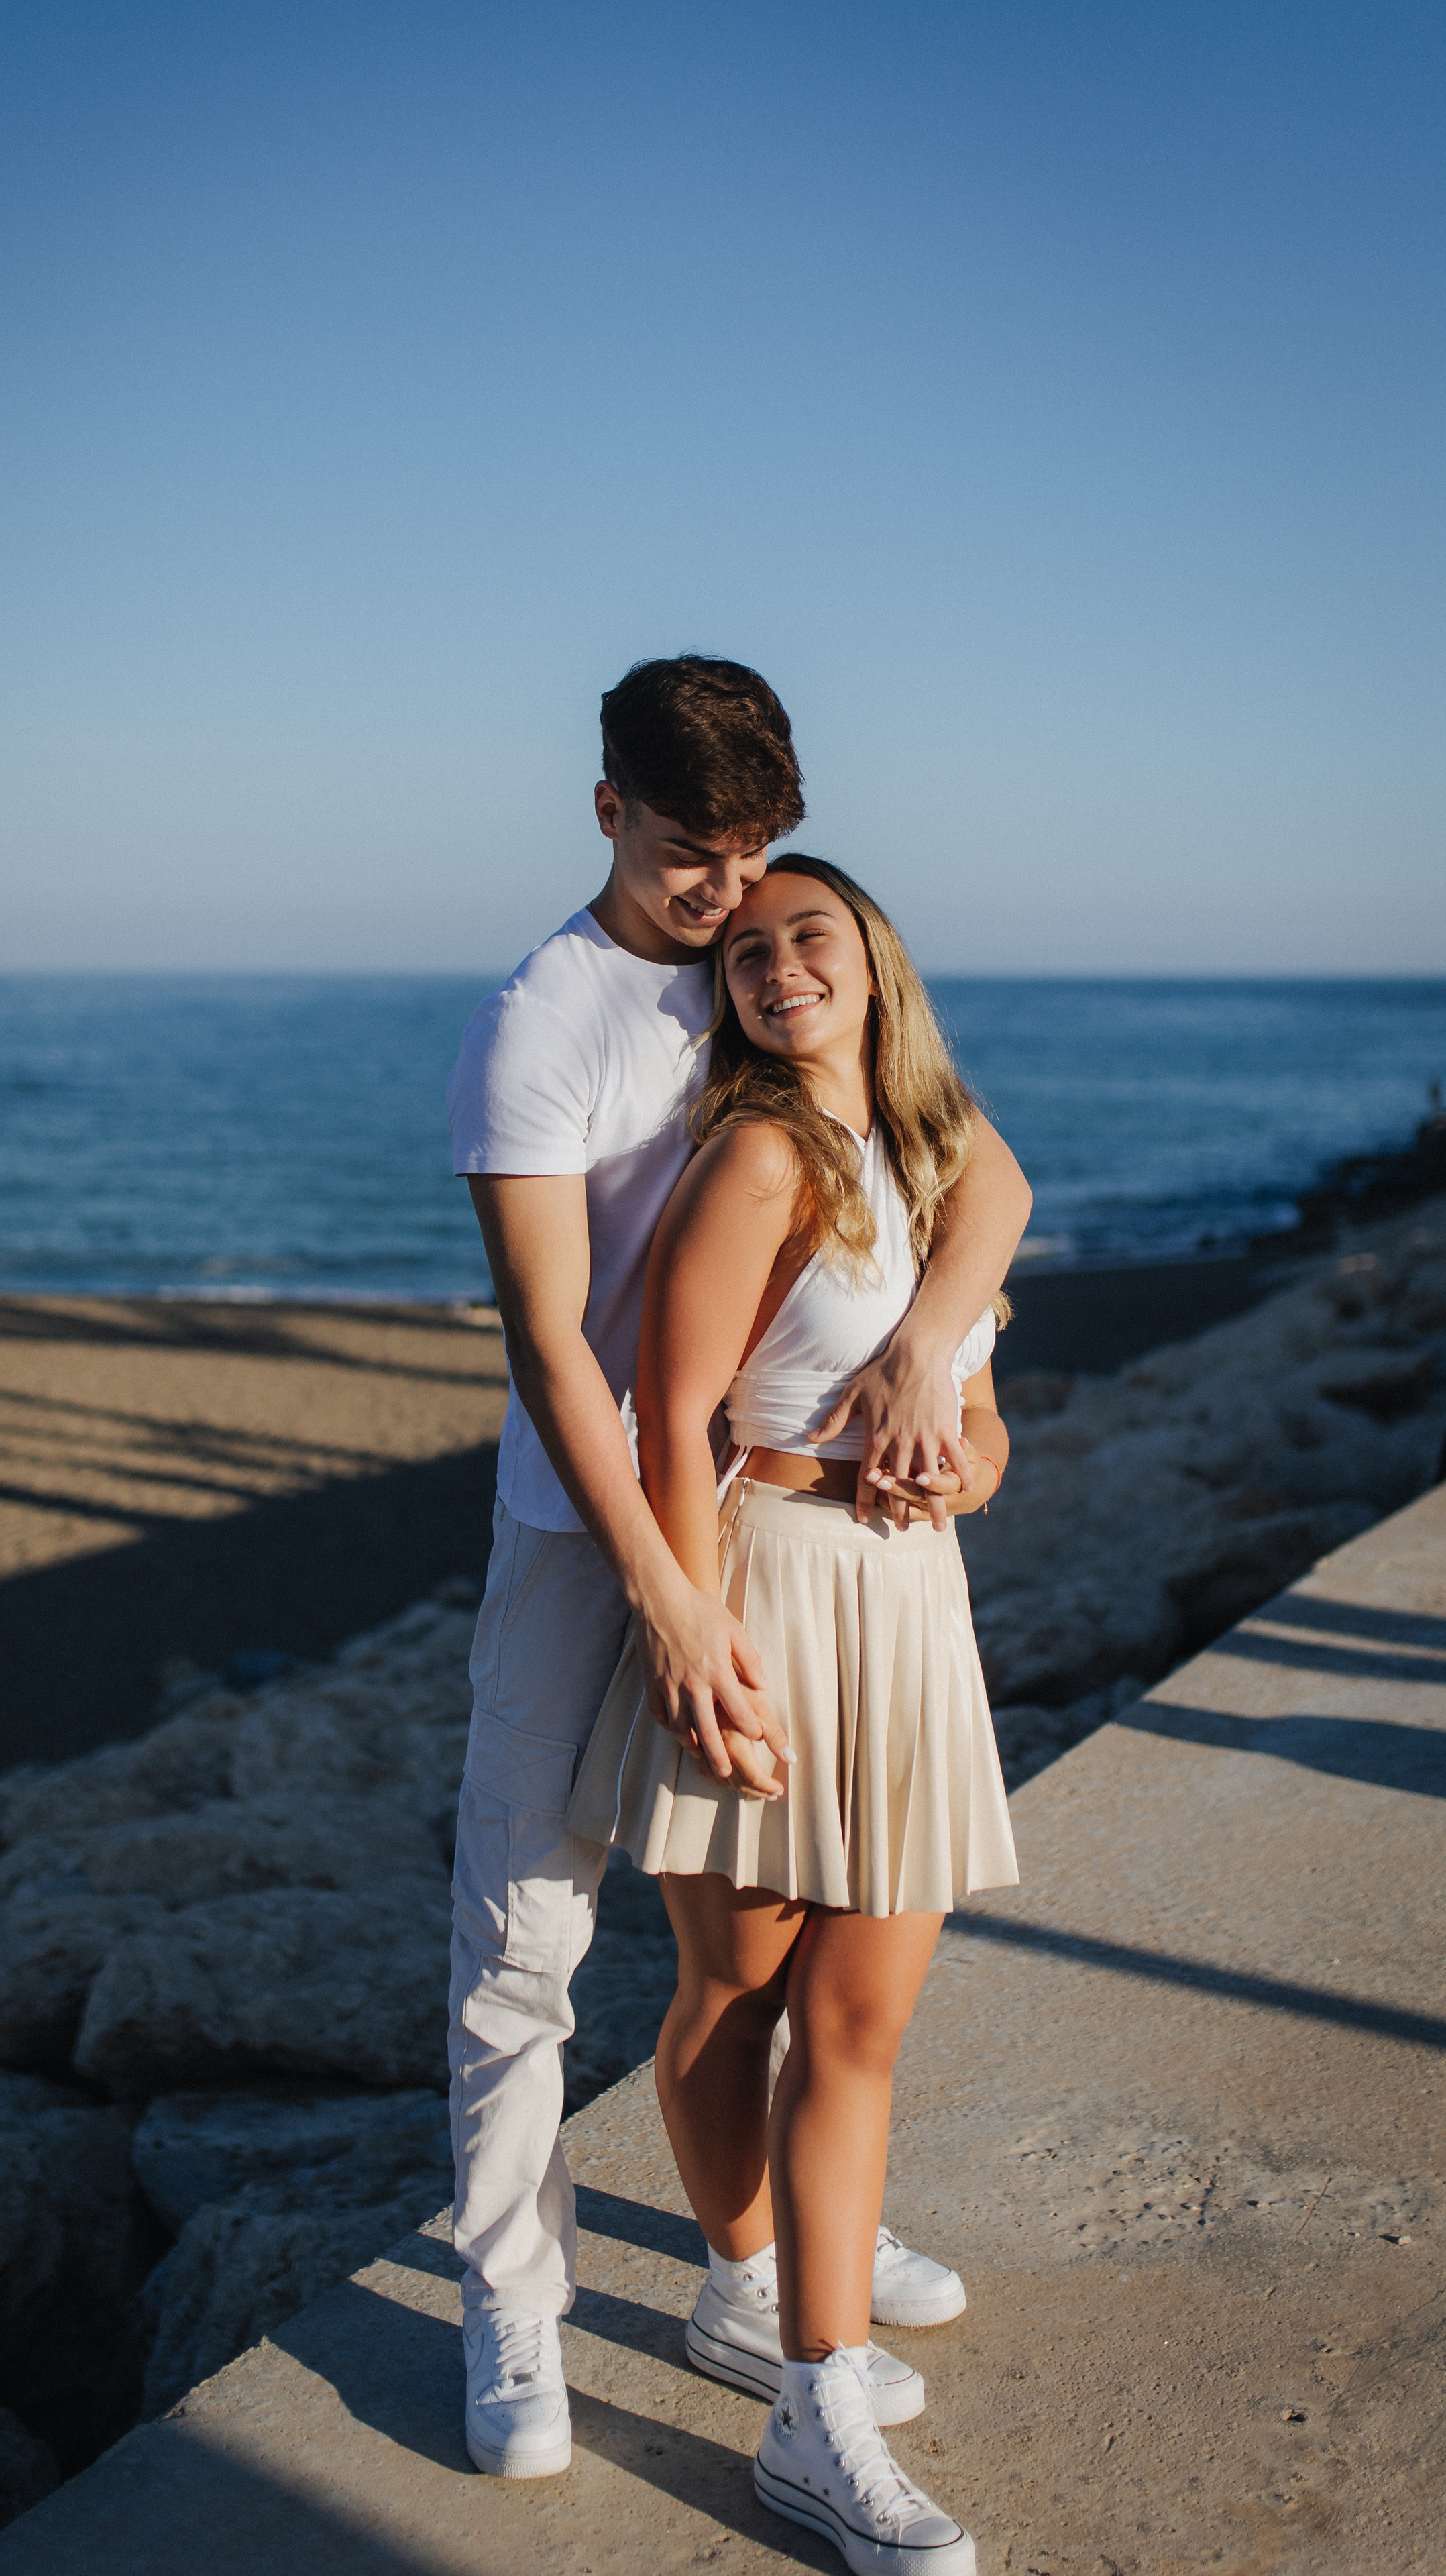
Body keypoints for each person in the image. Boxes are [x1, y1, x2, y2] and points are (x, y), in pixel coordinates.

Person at [445, 657, 1032, 2485]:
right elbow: (566, 1360)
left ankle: (777, 2270)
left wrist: (935, 1358)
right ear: (608, 809)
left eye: (760, 863)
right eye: (702, 863)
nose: (733, 907)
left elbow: (978, 1173)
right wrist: (674, 1595)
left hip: (804, 1546)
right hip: (593, 1521)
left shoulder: (777, 999)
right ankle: (516, 2312)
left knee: (818, 1988)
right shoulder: (542, 1023)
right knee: (530, 1941)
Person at [567, 854, 1017, 2573]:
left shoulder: (933, 1151)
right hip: (763, 1594)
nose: (774, 967)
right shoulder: (758, 1157)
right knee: (738, 1981)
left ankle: (804, 2387)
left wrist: (962, 1449)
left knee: (861, 2020)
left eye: (804, 934)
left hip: (905, 1611)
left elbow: (987, 1421)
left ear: (873, 957)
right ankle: (747, 2293)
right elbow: (670, 1420)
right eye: (744, 952)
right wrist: (688, 1643)